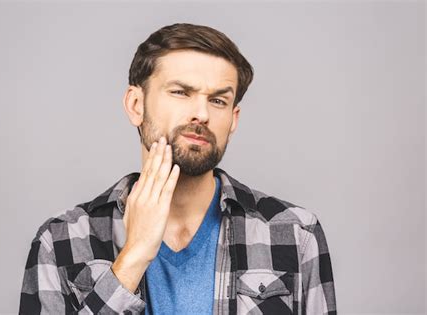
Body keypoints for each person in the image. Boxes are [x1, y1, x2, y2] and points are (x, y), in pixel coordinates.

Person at [19, 22, 337, 315]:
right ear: (135, 105)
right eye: (181, 92)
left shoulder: (295, 233)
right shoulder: (60, 240)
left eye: (218, 101)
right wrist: (133, 257)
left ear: (234, 119)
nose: (201, 113)